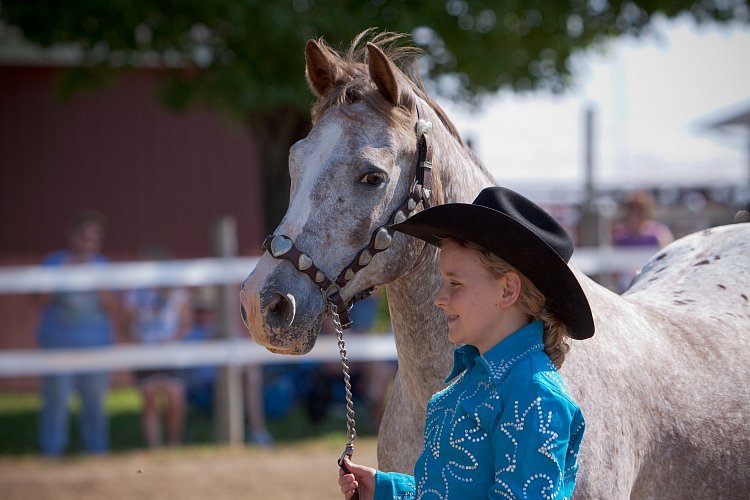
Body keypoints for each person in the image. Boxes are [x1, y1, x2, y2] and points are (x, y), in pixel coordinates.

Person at [338, 187, 596, 499]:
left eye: (455, 283)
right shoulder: (477, 380)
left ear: (507, 290)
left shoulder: (536, 396)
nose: (440, 298)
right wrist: (385, 490)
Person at [35, 210, 120, 456]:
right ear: (72, 237)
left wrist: (97, 282)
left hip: (95, 342)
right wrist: (61, 275)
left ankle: (96, 449)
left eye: (94, 239)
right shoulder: (54, 262)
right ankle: (51, 450)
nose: (89, 243)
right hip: (57, 340)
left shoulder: (103, 266)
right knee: (56, 399)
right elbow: (38, 300)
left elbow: (114, 307)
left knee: (95, 400)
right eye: (84, 237)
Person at [124, 246, 191, 448]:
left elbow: (185, 322)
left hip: (170, 352)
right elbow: (127, 322)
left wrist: (172, 340)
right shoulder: (136, 292)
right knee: (150, 399)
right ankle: (154, 447)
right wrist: (136, 342)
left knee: (175, 398)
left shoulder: (177, 292)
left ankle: (173, 444)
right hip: (146, 350)